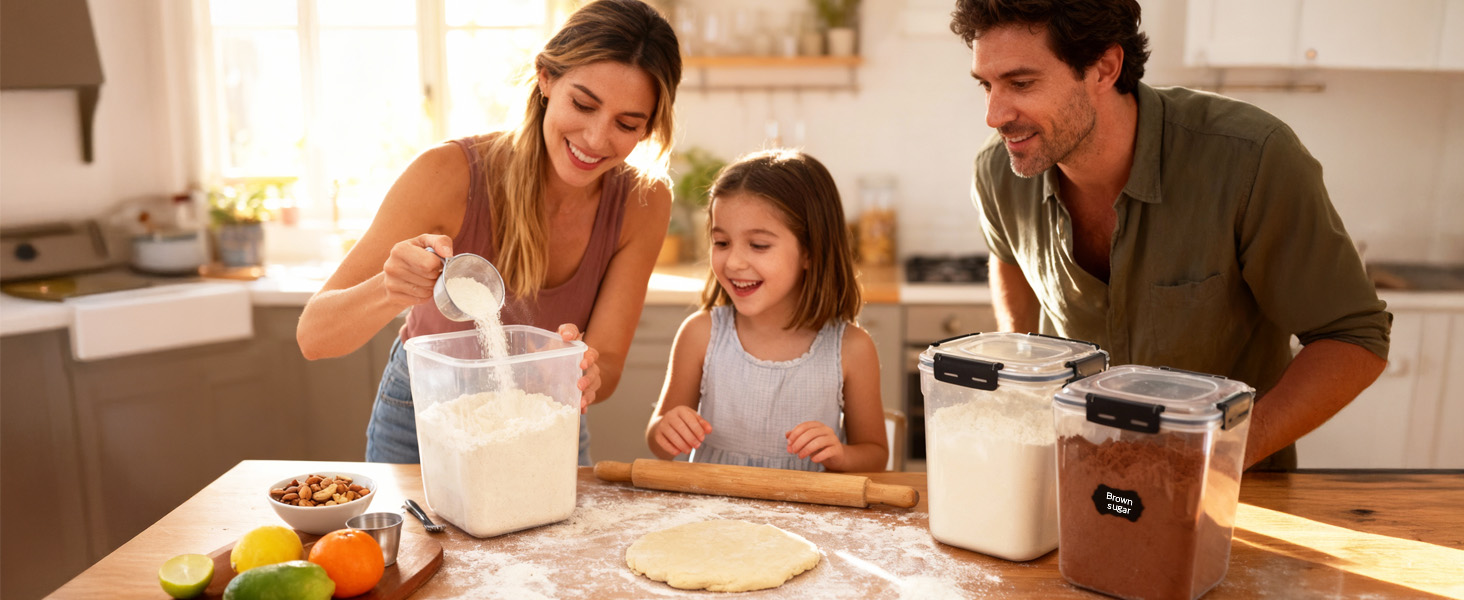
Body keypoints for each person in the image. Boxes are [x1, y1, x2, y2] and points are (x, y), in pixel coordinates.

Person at [950, 0, 1390, 469]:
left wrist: (1223, 456)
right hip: (1082, 482)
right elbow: (1009, 257)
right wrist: (1023, 376)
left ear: (1104, 67)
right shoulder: (998, 171)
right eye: (986, 85)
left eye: (1021, 83)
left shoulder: (1251, 160)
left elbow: (1352, 337)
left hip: (1230, 495)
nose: (994, 115)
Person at [296, 0, 681, 466]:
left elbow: (611, 362)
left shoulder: (644, 201)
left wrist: (576, 373)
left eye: (627, 124)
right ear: (546, 79)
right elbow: (314, 337)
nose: (597, 139)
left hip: (546, 416)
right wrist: (391, 287)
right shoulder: (448, 174)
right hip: (428, 416)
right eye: (583, 104)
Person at [644, 149, 889, 473]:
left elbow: (874, 454)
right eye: (721, 243)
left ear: (811, 251)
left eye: (758, 245)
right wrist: (665, 431)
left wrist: (839, 454)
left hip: (807, 518)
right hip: (715, 514)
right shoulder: (701, 334)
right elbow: (658, 442)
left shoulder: (852, 349)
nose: (733, 262)